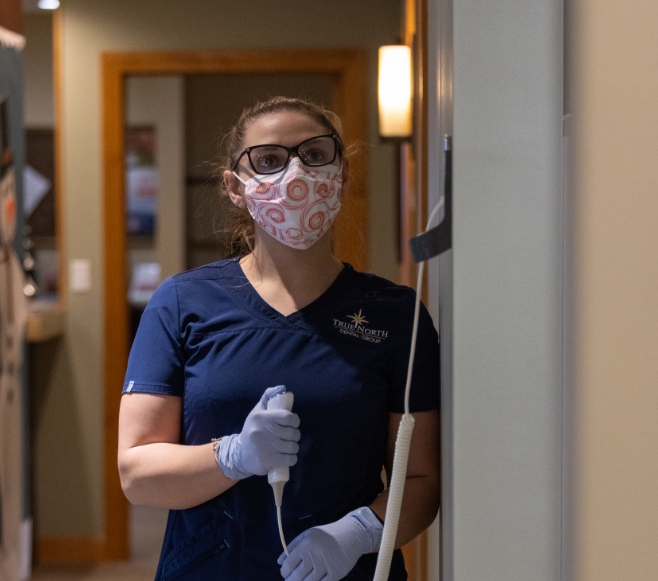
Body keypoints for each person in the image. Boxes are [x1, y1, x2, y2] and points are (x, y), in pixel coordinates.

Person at [118, 96, 441, 581]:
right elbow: (138, 475)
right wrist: (233, 455)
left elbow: (420, 480)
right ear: (234, 187)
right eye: (269, 160)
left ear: (343, 173)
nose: (295, 175)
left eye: (314, 155)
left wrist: (357, 533)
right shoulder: (183, 303)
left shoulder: (394, 316)